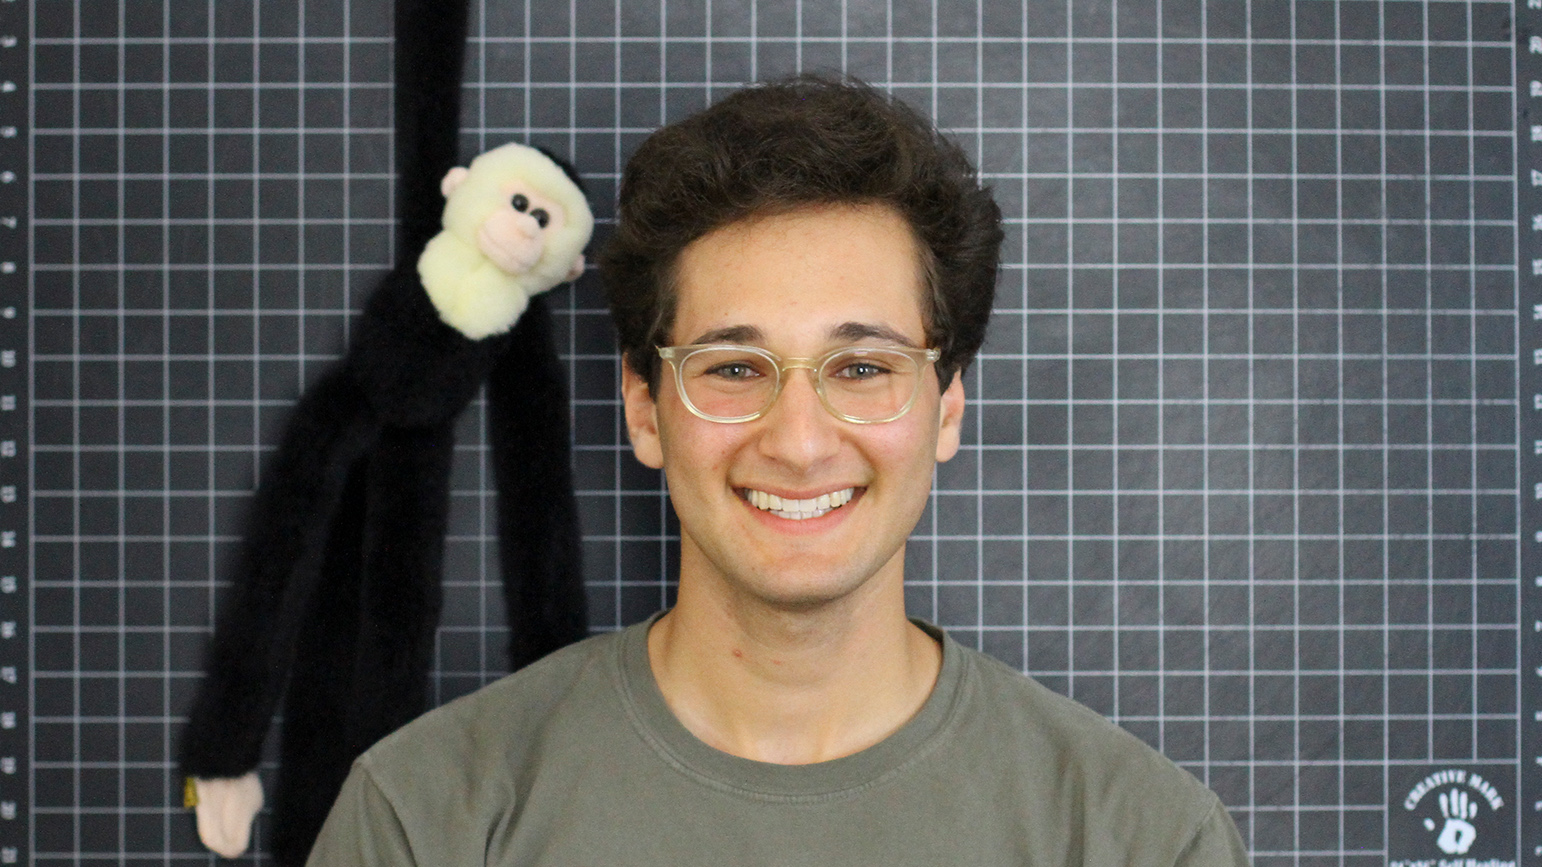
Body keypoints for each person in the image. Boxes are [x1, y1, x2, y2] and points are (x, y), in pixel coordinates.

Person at [305, 74, 1250, 866]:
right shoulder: (425, 821)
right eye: (732, 368)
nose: (799, 440)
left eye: (864, 368)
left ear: (947, 403)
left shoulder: (1144, 839)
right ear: (643, 406)